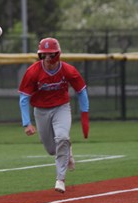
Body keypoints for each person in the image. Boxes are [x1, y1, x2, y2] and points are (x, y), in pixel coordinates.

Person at [18, 37, 89, 193]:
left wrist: (85, 115)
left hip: (61, 108)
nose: (48, 58)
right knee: (51, 149)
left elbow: (81, 91)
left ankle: (60, 179)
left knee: (62, 138)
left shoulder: (68, 70)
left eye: (51, 54)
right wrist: (27, 123)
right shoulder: (33, 72)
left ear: (58, 54)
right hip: (41, 111)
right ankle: (67, 150)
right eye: (44, 55)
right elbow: (24, 97)